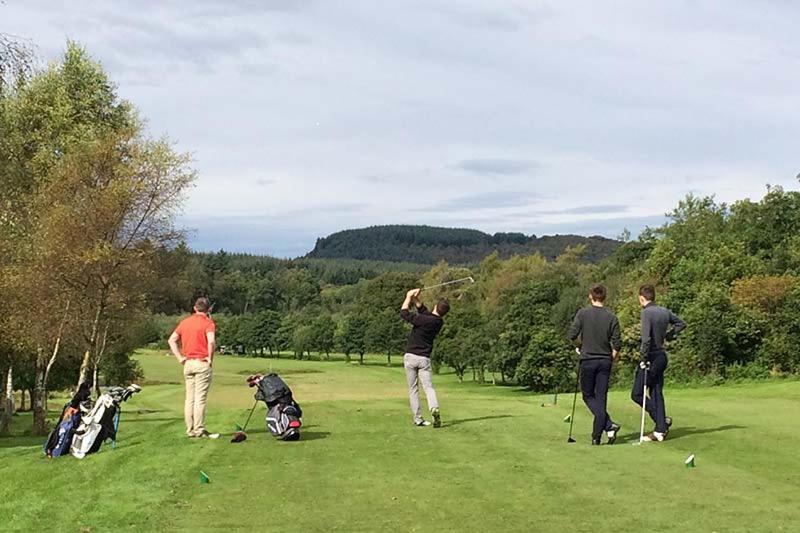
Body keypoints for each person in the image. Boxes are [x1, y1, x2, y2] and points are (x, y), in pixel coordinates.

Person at [567, 284, 623, 445]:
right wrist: (614, 354)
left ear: (591, 296)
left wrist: (579, 346)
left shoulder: (583, 314)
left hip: (588, 359)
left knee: (588, 395)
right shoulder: (612, 317)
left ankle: (607, 427)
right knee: (601, 397)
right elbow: (617, 342)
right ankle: (600, 433)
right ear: (604, 297)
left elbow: (571, 335)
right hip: (605, 360)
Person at [632, 284, 686, 442]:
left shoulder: (646, 313)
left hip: (652, 356)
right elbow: (681, 324)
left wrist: (643, 358)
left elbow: (646, 339)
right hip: (662, 356)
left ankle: (661, 423)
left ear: (642, 298)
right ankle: (660, 430)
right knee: (656, 392)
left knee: (636, 393)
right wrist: (668, 336)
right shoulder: (664, 311)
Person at [168, 297, 219, 439]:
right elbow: (211, 342)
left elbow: (171, 340)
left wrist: (180, 358)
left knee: (189, 399)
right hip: (202, 362)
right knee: (200, 399)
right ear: (209, 309)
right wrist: (210, 358)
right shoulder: (208, 323)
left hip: (188, 363)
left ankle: (190, 430)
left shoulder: (185, 322)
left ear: (195, 308)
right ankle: (199, 429)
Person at [400, 288, 449, 428]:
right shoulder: (438, 322)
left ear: (435, 307)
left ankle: (418, 418)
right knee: (428, 387)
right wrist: (416, 298)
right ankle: (434, 408)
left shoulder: (423, 320)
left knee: (413, 389)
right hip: (424, 359)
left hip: (410, 357)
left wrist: (408, 296)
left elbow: (404, 313)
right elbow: (423, 310)